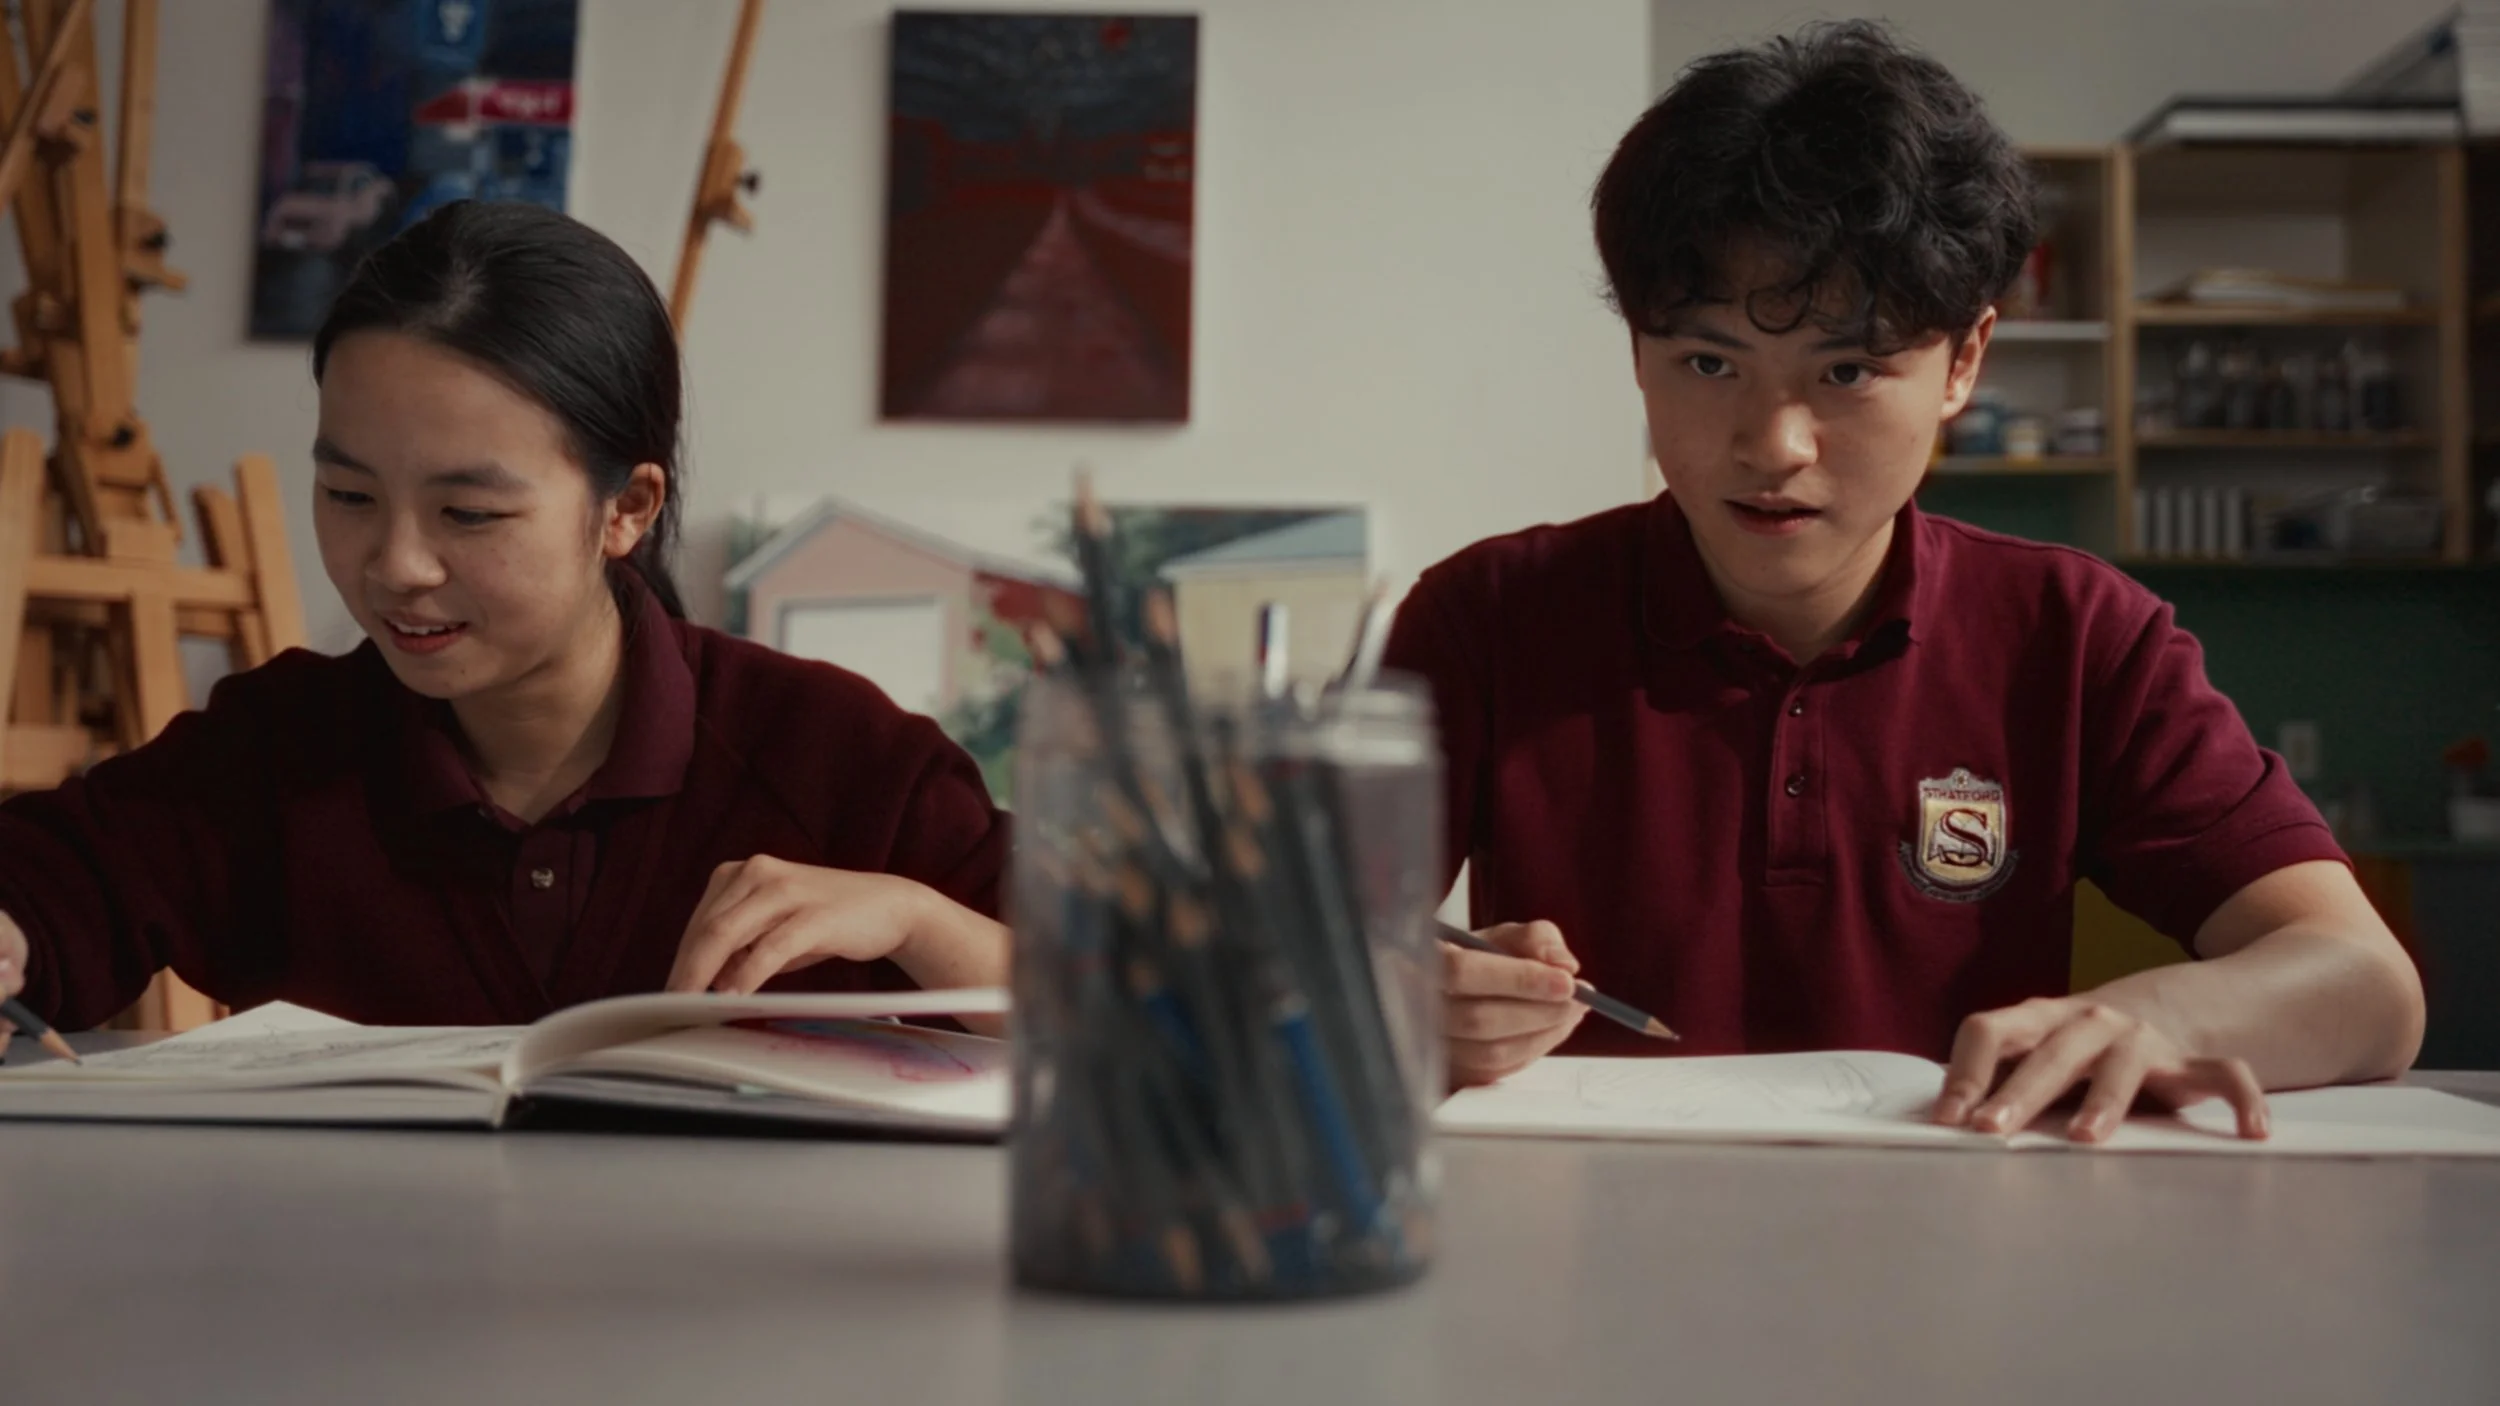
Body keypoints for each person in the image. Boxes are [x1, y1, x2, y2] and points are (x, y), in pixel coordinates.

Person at [1388, 22, 2424, 1139]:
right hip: (1579, 1252)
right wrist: (1396, 1000)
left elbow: (2367, 984)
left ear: (1963, 362)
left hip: (1966, 1252)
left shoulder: (2077, 637)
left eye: (1847, 370)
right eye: (1707, 362)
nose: (1774, 443)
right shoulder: (1485, 619)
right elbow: (1288, 965)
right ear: (1637, 353)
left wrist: (2165, 1013)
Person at [0, 201, 1008, 1035]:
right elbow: (56, 884)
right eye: (349, 496)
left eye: (468, 513)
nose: (394, 564)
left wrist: (924, 922)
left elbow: (1147, 1013)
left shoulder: (836, 762)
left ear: (627, 509)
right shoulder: (278, 753)